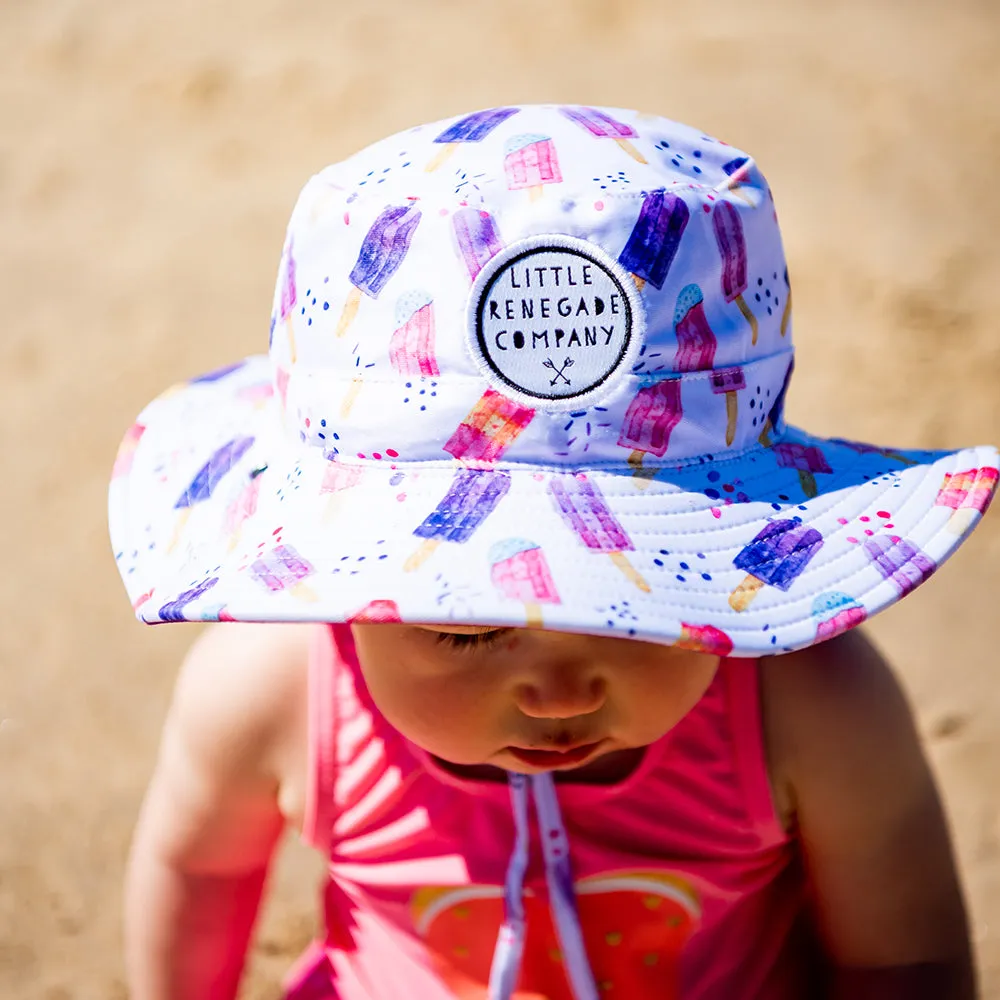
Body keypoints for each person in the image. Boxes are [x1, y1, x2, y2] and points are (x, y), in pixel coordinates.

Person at [109, 104, 997, 1000]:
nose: (559, 692)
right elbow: (201, 869)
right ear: (342, 582)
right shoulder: (272, 693)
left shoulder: (810, 705)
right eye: (462, 629)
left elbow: (902, 958)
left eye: (636, 615)